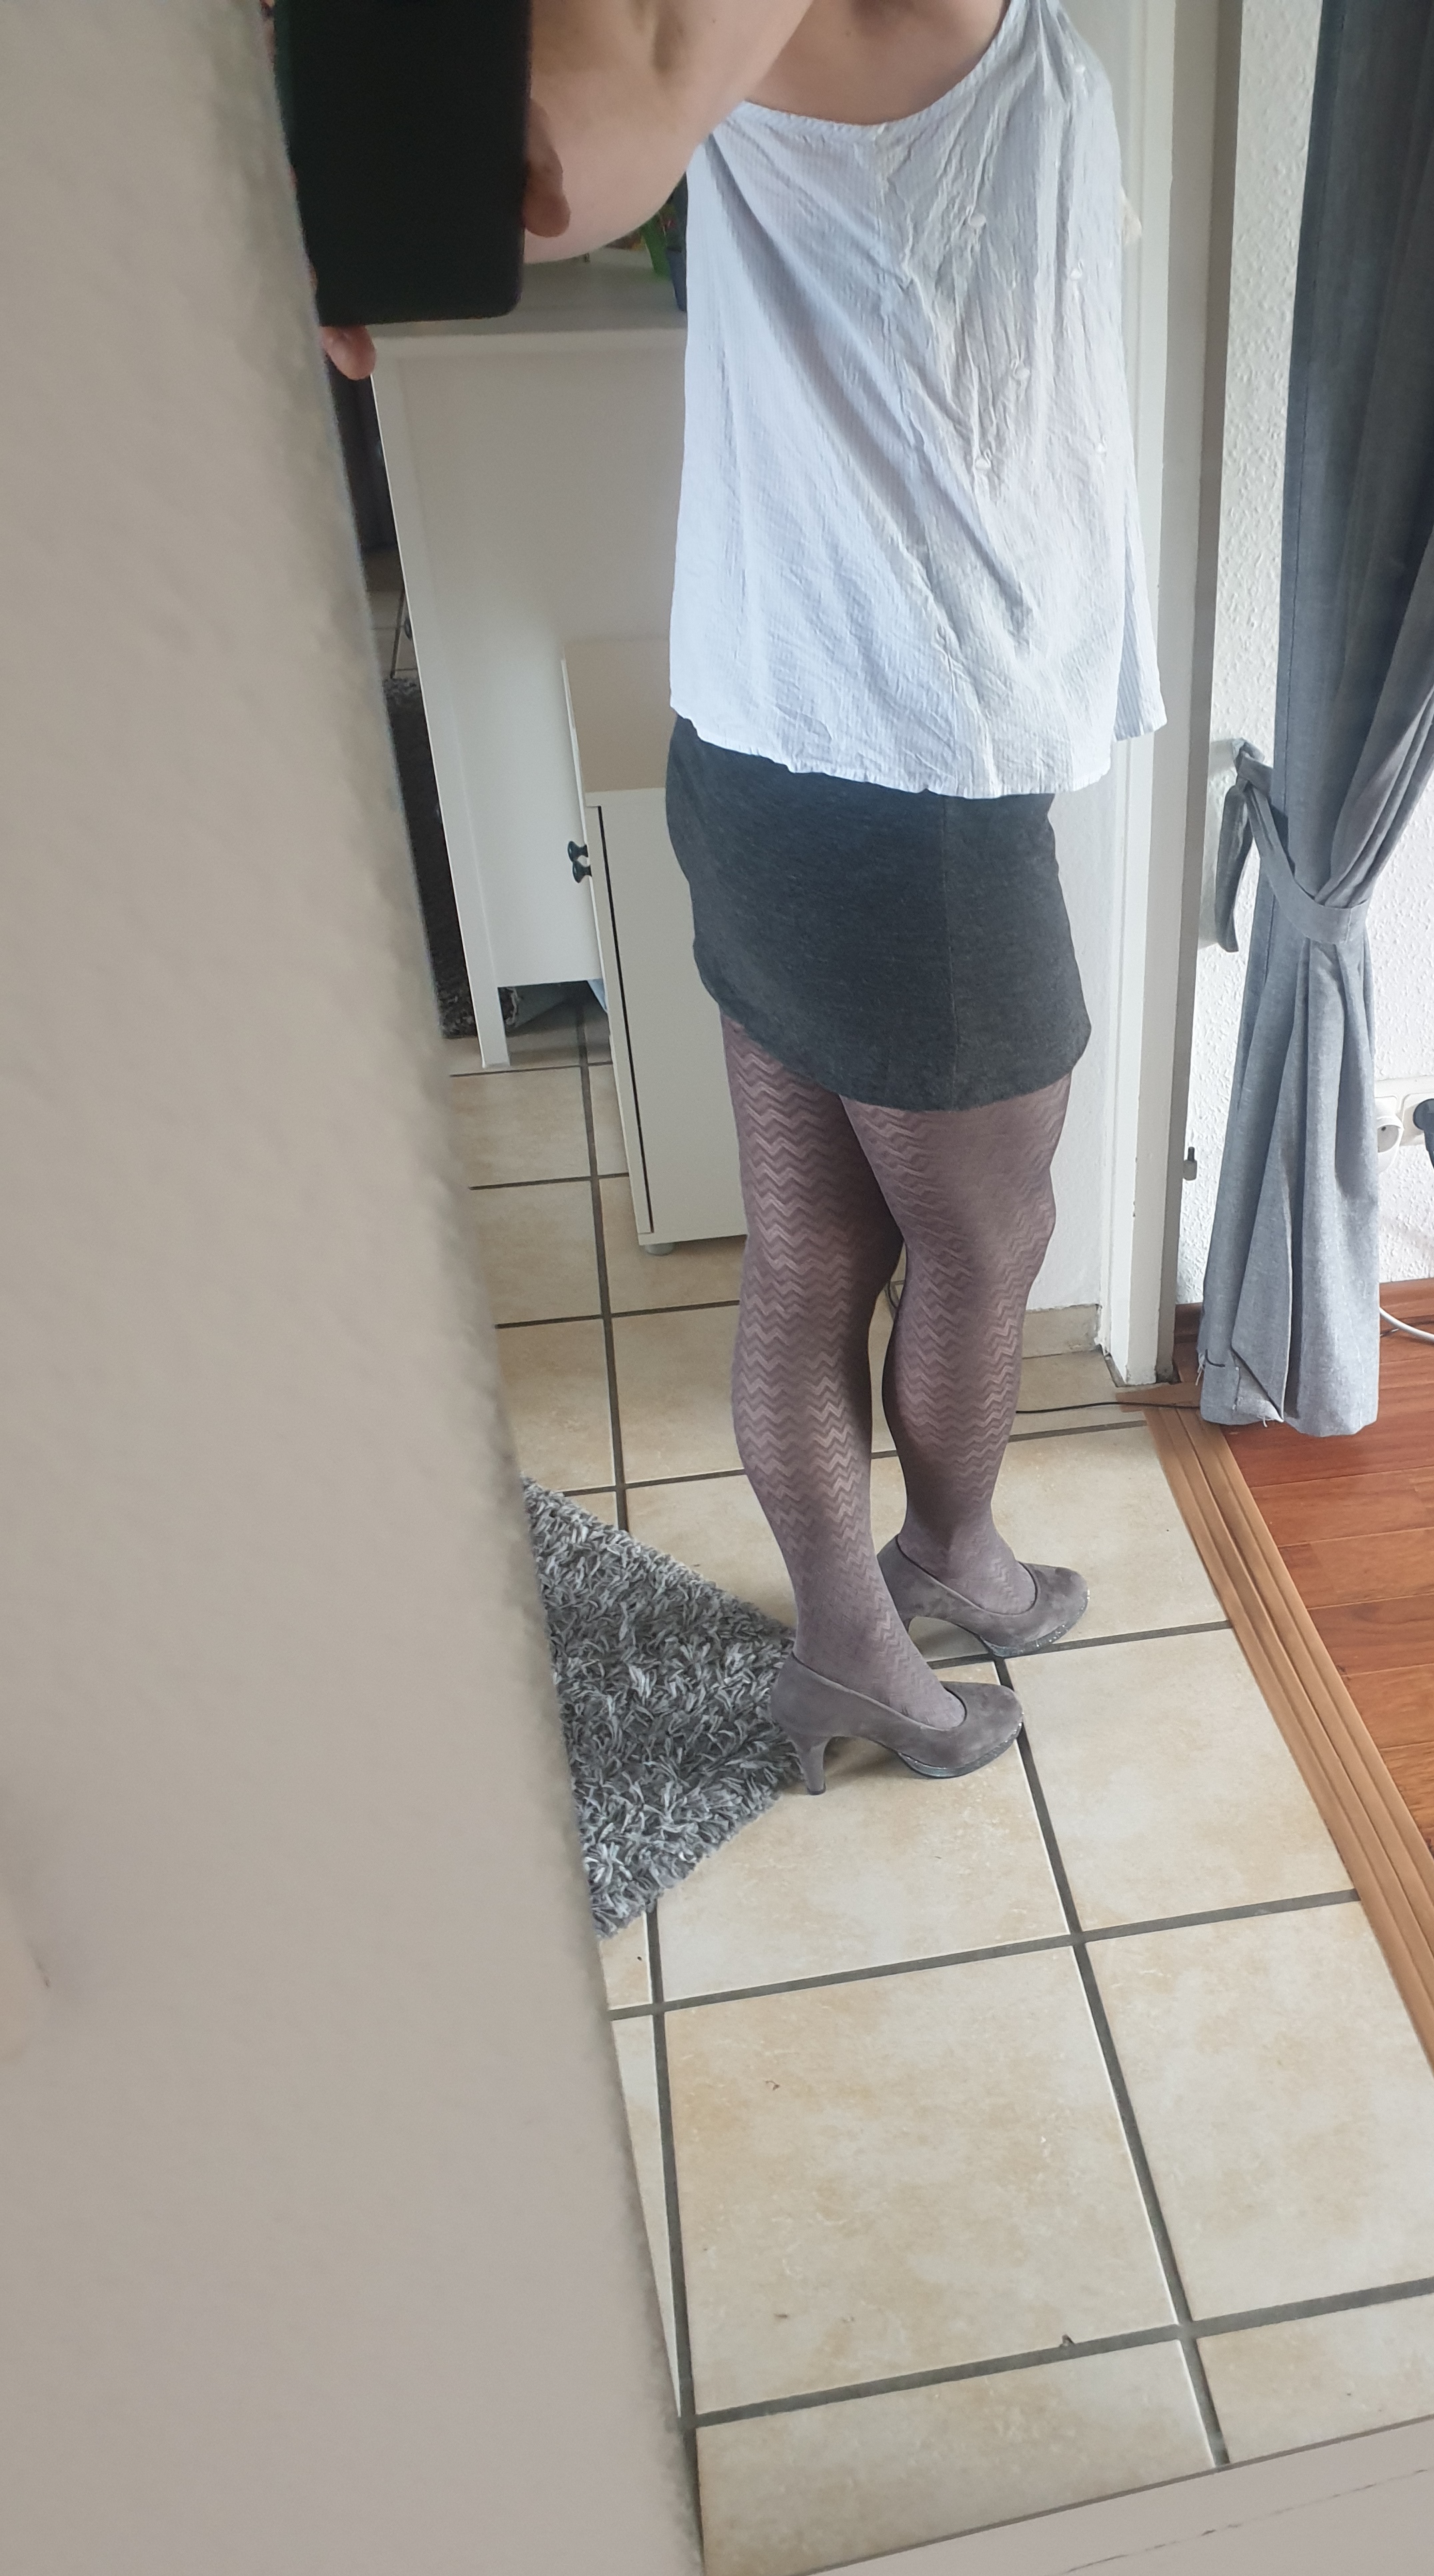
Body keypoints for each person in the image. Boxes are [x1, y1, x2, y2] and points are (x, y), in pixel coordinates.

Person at [340, 1, 1163, 1789]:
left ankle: (881, 1620)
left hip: (791, 726)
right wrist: (316, 204)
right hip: (902, 770)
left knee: (818, 1248)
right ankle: (920, 1583)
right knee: (981, 1239)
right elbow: (570, 158)